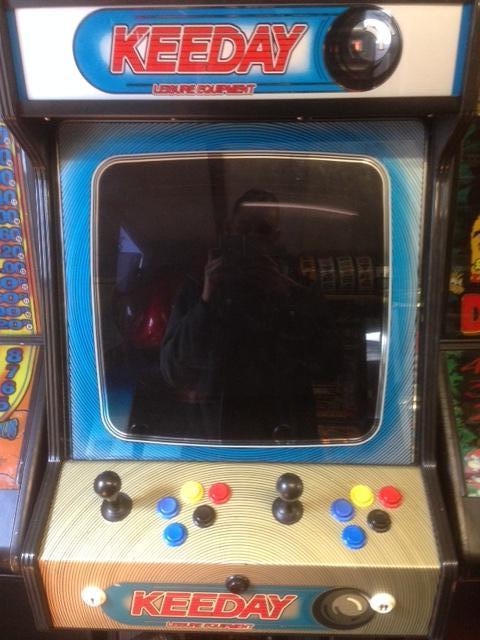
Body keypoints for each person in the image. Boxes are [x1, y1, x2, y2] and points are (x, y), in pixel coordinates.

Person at [159, 189, 340, 442]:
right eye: (244, 228)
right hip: (215, 438)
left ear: (276, 237)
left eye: (263, 230)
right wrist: (206, 302)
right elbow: (173, 371)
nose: (252, 238)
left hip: (285, 436)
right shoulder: (199, 288)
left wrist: (286, 298)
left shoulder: (300, 291)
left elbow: (330, 366)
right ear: (229, 230)